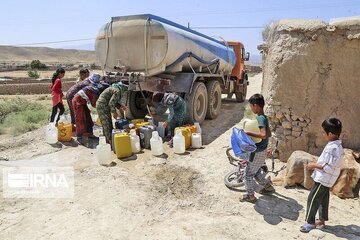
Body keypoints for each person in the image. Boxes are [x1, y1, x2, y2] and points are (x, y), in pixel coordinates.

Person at [300, 117, 344, 233]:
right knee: (323, 199)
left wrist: (313, 165)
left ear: (330, 134)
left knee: (313, 199)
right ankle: (321, 221)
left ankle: (310, 223)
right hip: (328, 179)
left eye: (323, 132)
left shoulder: (332, 148)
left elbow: (328, 167)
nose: (322, 134)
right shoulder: (338, 146)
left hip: (324, 178)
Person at [239, 93, 274, 203]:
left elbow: (263, 134)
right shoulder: (264, 117)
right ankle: (268, 187)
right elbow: (269, 134)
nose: (251, 108)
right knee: (257, 171)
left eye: (251, 106)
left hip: (258, 152)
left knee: (248, 175)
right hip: (262, 151)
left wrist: (248, 133)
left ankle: (250, 196)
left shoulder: (259, 118)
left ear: (255, 105)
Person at [72, 76, 108, 145]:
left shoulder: (97, 88)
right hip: (77, 101)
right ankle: (80, 138)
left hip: (83, 102)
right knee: (80, 119)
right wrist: (102, 110)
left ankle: (90, 134)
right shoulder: (95, 92)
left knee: (88, 117)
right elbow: (94, 104)